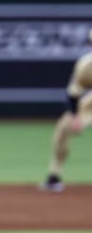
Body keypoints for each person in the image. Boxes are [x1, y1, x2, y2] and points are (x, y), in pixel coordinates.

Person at [40, 28, 92, 192]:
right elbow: (73, 94)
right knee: (64, 126)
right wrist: (75, 117)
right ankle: (54, 176)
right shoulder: (85, 66)